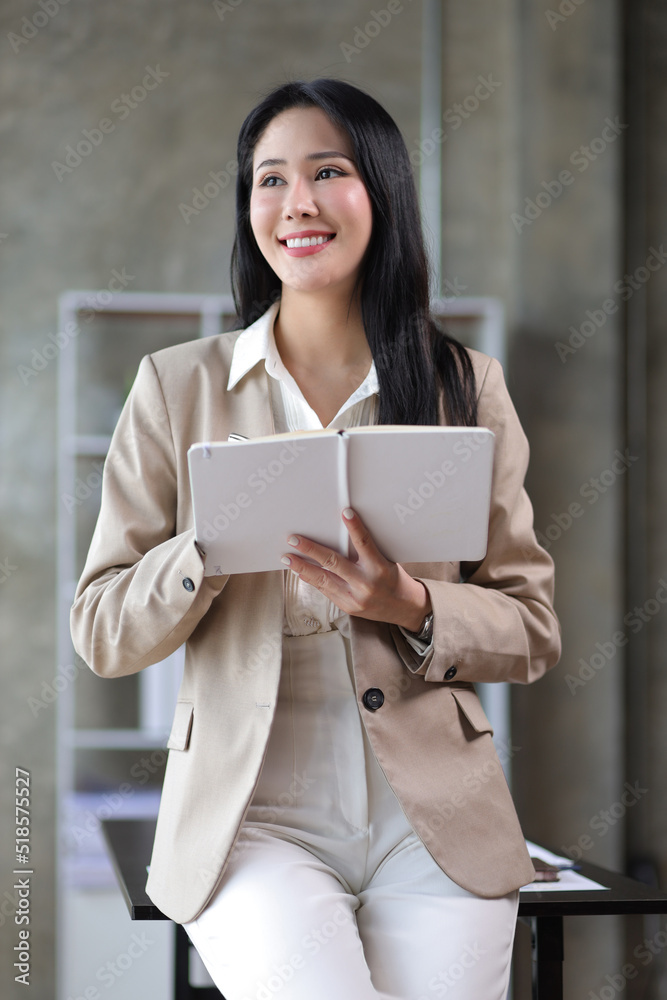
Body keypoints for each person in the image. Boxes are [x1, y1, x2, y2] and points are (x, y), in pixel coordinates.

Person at [71, 78, 561, 999]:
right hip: (252, 823)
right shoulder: (177, 387)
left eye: (327, 171)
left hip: (436, 823)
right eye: (269, 179)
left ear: (379, 190)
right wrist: (205, 549)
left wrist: (409, 605)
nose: (296, 202)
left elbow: (531, 628)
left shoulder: (465, 385)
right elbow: (100, 631)